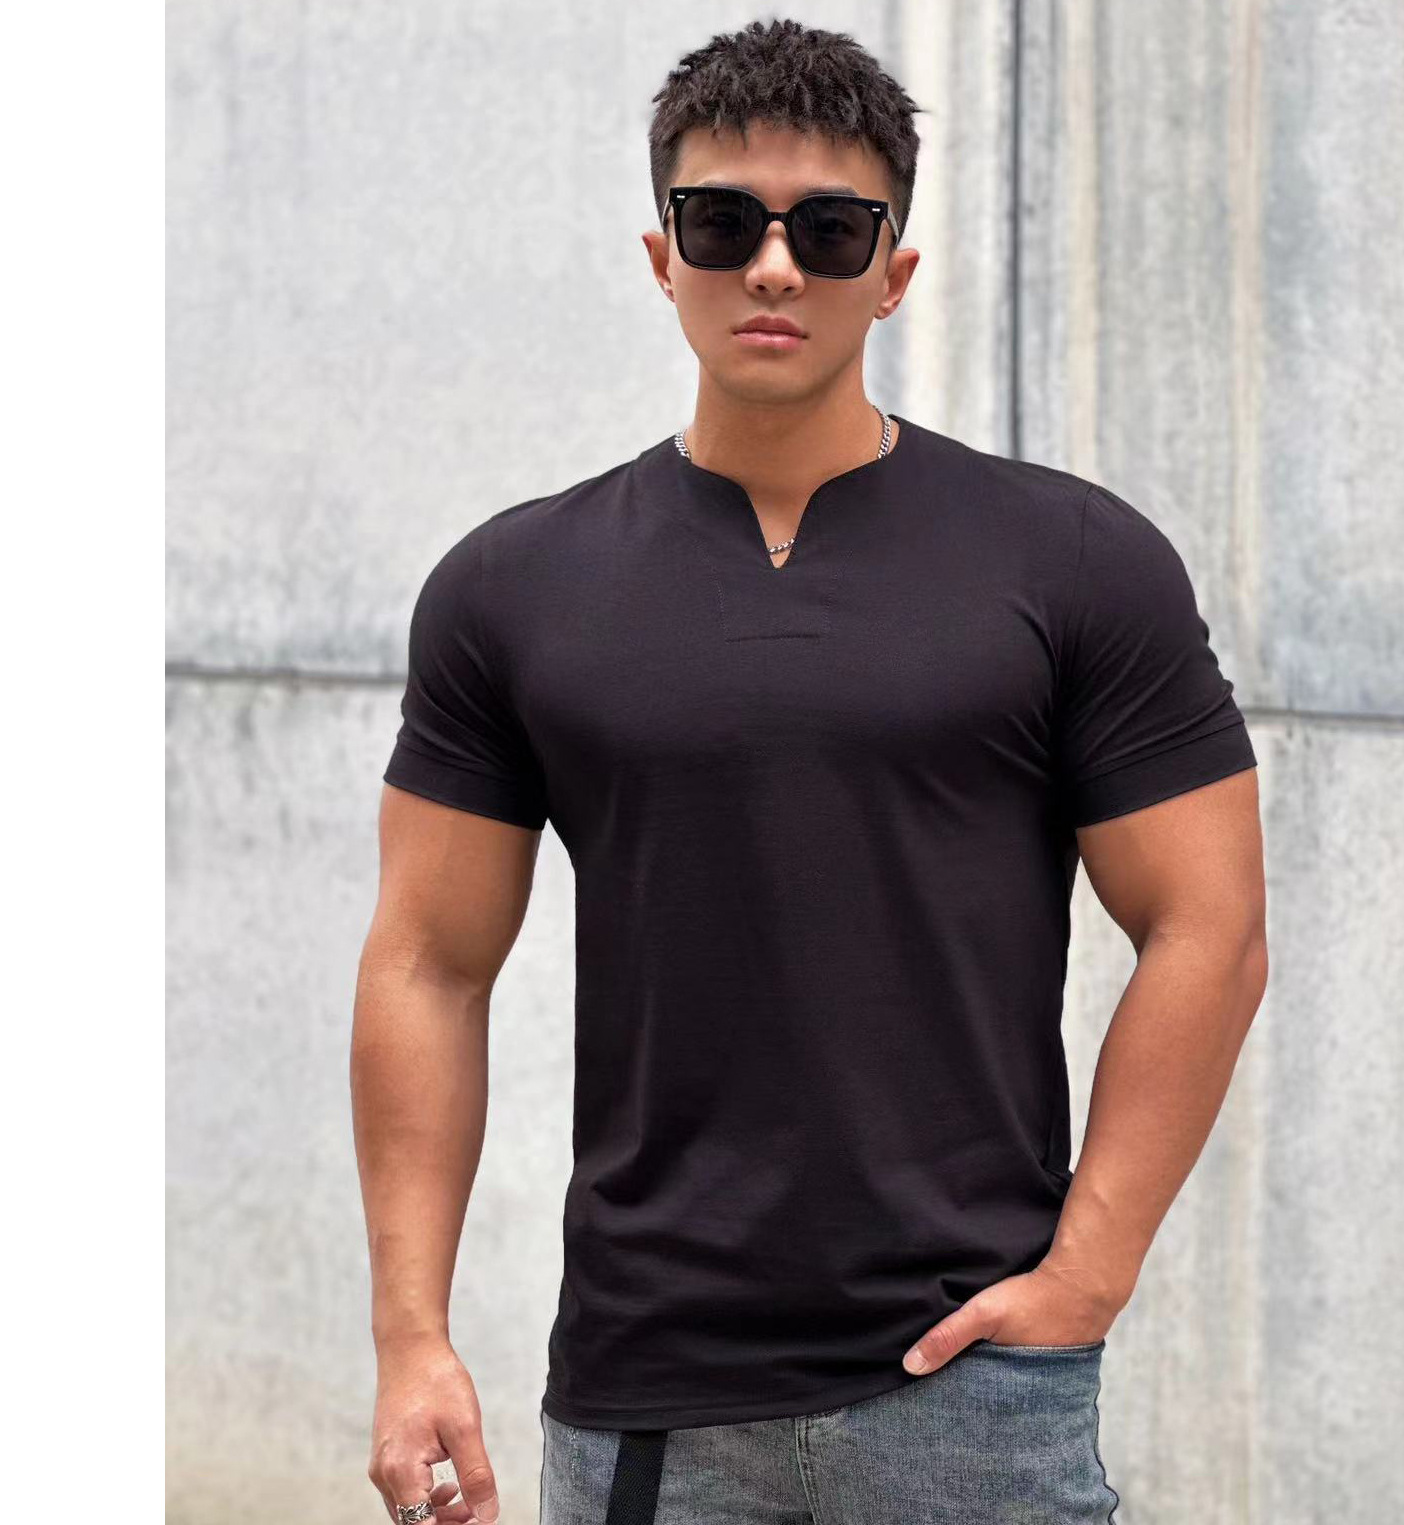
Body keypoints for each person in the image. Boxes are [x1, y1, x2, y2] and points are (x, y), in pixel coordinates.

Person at [352, 18, 1268, 1525]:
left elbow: (1209, 926)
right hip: (647, 1388)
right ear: (664, 256)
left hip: (972, 1389)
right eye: (725, 223)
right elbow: (426, 965)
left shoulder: (1074, 560)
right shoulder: (513, 586)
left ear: (891, 272)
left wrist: (1086, 1272)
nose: (773, 267)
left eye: (828, 230)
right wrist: (412, 1340)